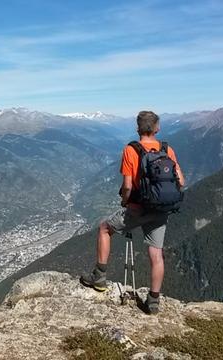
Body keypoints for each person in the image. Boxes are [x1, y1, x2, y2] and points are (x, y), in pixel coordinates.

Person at [79, 110, 185, 314]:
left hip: (137, 209)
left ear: (138, 129)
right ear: (157, 128)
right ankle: (153, 301)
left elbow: (127, 185)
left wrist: (125, 202)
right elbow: (181, 181)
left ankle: (99, 277)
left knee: (104, 229)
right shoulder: (167, 150)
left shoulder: (131, 150)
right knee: (156, 255)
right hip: (161, 210)